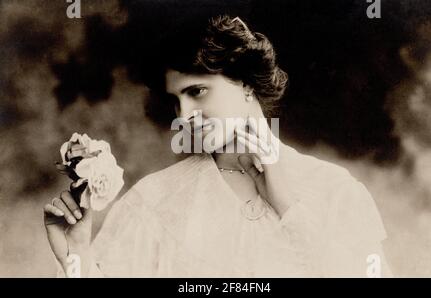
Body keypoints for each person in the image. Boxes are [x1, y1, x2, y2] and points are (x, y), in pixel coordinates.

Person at [43, 15, 392, 277]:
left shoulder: (334, 189)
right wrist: (76, 256)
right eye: (176, 100)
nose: (185, 115)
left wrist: (286, 203)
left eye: (197, 91)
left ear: (245, 83)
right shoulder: (153, 202)